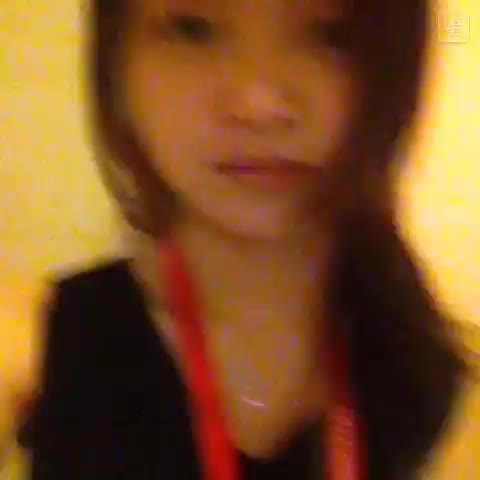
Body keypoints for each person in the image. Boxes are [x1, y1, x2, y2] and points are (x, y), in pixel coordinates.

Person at [0, 0, 477, 479]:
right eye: (193, 29)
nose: (259, 106)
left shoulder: (457, 393)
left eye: (333, 35)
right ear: (115, 63)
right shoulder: (26, 342)